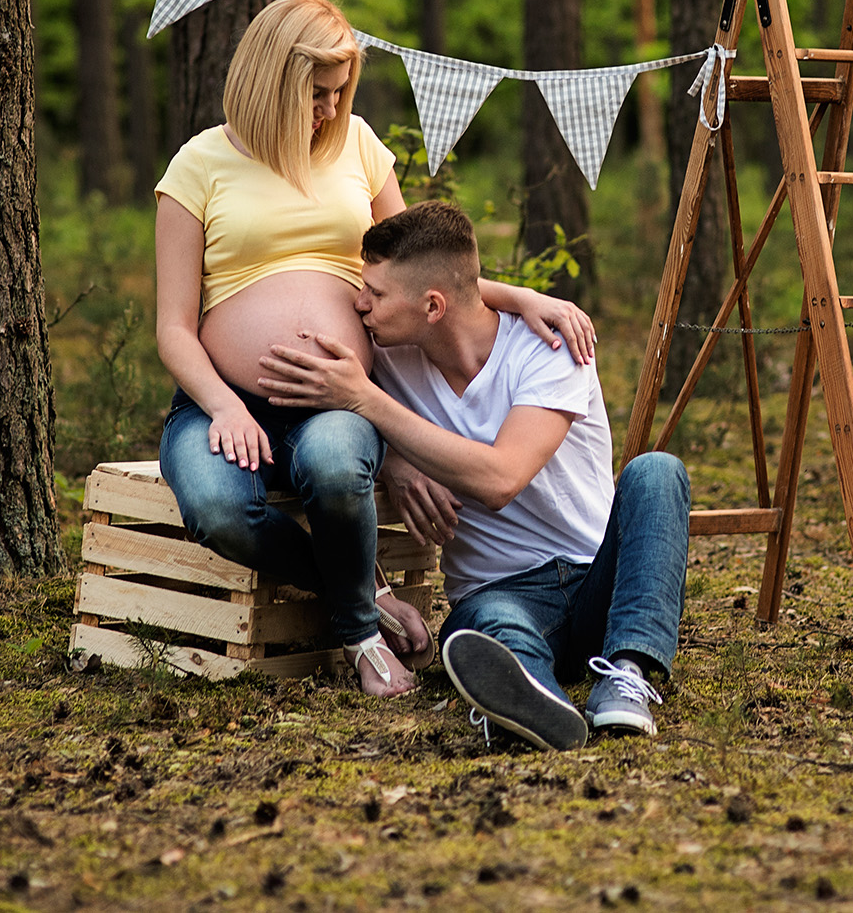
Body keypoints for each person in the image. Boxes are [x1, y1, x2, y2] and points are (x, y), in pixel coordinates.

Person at [153, 0, 594, 698]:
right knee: (214, 507)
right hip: (224, 399)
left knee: (332, 462)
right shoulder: (197, 165)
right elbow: (173, 325)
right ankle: (363, 598)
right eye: (315, 95)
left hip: (338, 396)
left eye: (338, 93)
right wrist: (222, 407)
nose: (329, 110)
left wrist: (522, 297)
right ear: (272, 81)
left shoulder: (357, 144)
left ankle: (357, 635)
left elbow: (427, 268)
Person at [258, 200, 691, 751]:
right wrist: (394, 460)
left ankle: (625, 676)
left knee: (658, 472)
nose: (359, 303)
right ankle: (531, 697)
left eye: (377, 293)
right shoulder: (389, 355)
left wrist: (367, 401)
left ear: (432, 306)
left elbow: (501, 479)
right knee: (485, 625)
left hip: (596, 580)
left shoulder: (550, 345)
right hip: (497, 592)